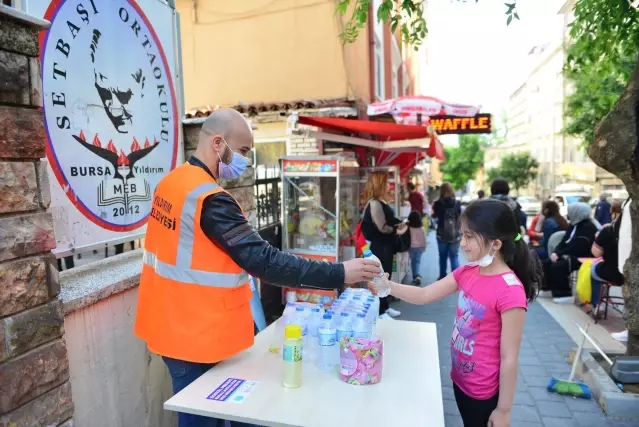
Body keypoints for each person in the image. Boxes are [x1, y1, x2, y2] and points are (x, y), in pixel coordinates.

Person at [134, 108, 381, 427]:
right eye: (243, 151)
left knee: (199, 414)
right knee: (212, 418)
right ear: (218, 144)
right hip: (197, 337)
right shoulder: (210, 200)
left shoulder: (172, 183)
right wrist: (339, 273)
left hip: (171, 326)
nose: (246, 161)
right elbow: (264, 261)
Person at [369, 199, 540, 427]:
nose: (462, 244)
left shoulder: (510, 292)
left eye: (469, 237)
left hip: (483, 394)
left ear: (495, 244)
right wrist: (387, 287)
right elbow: (425, 295)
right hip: (459, 381)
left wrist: (503, 410)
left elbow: (509, 358)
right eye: (463, 235)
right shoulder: (468, 271)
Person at [361, 170, 405, 318]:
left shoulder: (380, 201)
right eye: (386, 182)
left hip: (385, 245)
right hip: (380, 246)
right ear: (379, 184)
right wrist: (396, 231)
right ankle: (379, 311)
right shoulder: (375, 203)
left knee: (384, 276)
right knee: (380, 278)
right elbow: (382, 226)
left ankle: (384, 307)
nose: (389, 185)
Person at [543, 202, 598, 303]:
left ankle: (564, 294)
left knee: (559, 266)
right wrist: (556, 252)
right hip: (569, 254)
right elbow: (564, 241)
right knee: (547, 262)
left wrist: (560, 254)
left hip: (583, 257)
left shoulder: (588, 227)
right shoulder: (573, 225)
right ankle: (547, 288)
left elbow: (578, 246)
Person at [432, 182, 462, 280]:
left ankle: (442, 276)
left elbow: (434, 216)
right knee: (454, 256)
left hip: (441, 234)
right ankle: (457, 279)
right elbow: (460, 217)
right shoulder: (457, 203)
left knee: (442, 256)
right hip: (455, 234)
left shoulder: (437, 203)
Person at [612, 198, 631, 342]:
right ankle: (629, 328)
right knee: (629, 292)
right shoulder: (631, 197)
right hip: (626, 254)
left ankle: (630, 329)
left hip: (630, 252)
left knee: (631, 293)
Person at [408, 211, 427, 285]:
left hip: (411, 247)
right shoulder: (421, 228)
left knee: (413, 262)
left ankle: (415, 276)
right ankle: (416, 275)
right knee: (417, 261)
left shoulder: (409, 228)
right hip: (420, 247)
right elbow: (424, 238)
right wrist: (425, 246)